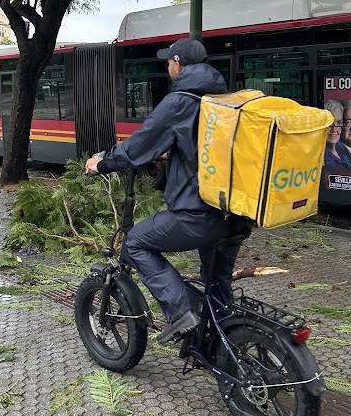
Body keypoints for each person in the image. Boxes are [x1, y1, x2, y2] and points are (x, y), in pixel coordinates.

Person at [85, 38, 251, 342]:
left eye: (169, 61)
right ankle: (223, 345)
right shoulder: (223, 101)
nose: (167, 66)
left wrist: (103, 163)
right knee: (217, 283)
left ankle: (181, 312)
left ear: (178, 64)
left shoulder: (181, 101)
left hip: (197, 213)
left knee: (135, 243)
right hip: (234, 213)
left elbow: (140, 144)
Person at [323, 100, 351, 173]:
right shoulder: (322, 157)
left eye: (339, 122)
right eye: (329, 123)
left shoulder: (343, 147)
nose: (334, 129)